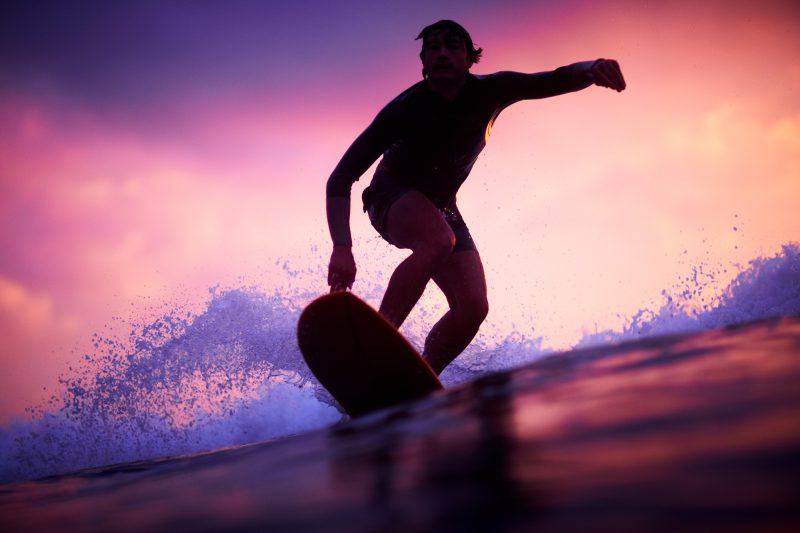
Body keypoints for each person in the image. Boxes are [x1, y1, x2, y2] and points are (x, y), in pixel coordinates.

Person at [325, 20, 626, 375]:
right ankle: (374, 345)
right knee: (438, 239)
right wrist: (342, 246)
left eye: (452, 46)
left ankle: (421, 377)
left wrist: (591, 68)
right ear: (423, 62)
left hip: (441, 207)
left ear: (471, 59)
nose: (442, 53)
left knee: (472, 307)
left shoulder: (493, 90)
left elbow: (556, 78)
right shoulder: (405, 109)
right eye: (433, 47)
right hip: (390, 195)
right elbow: (340, 178)